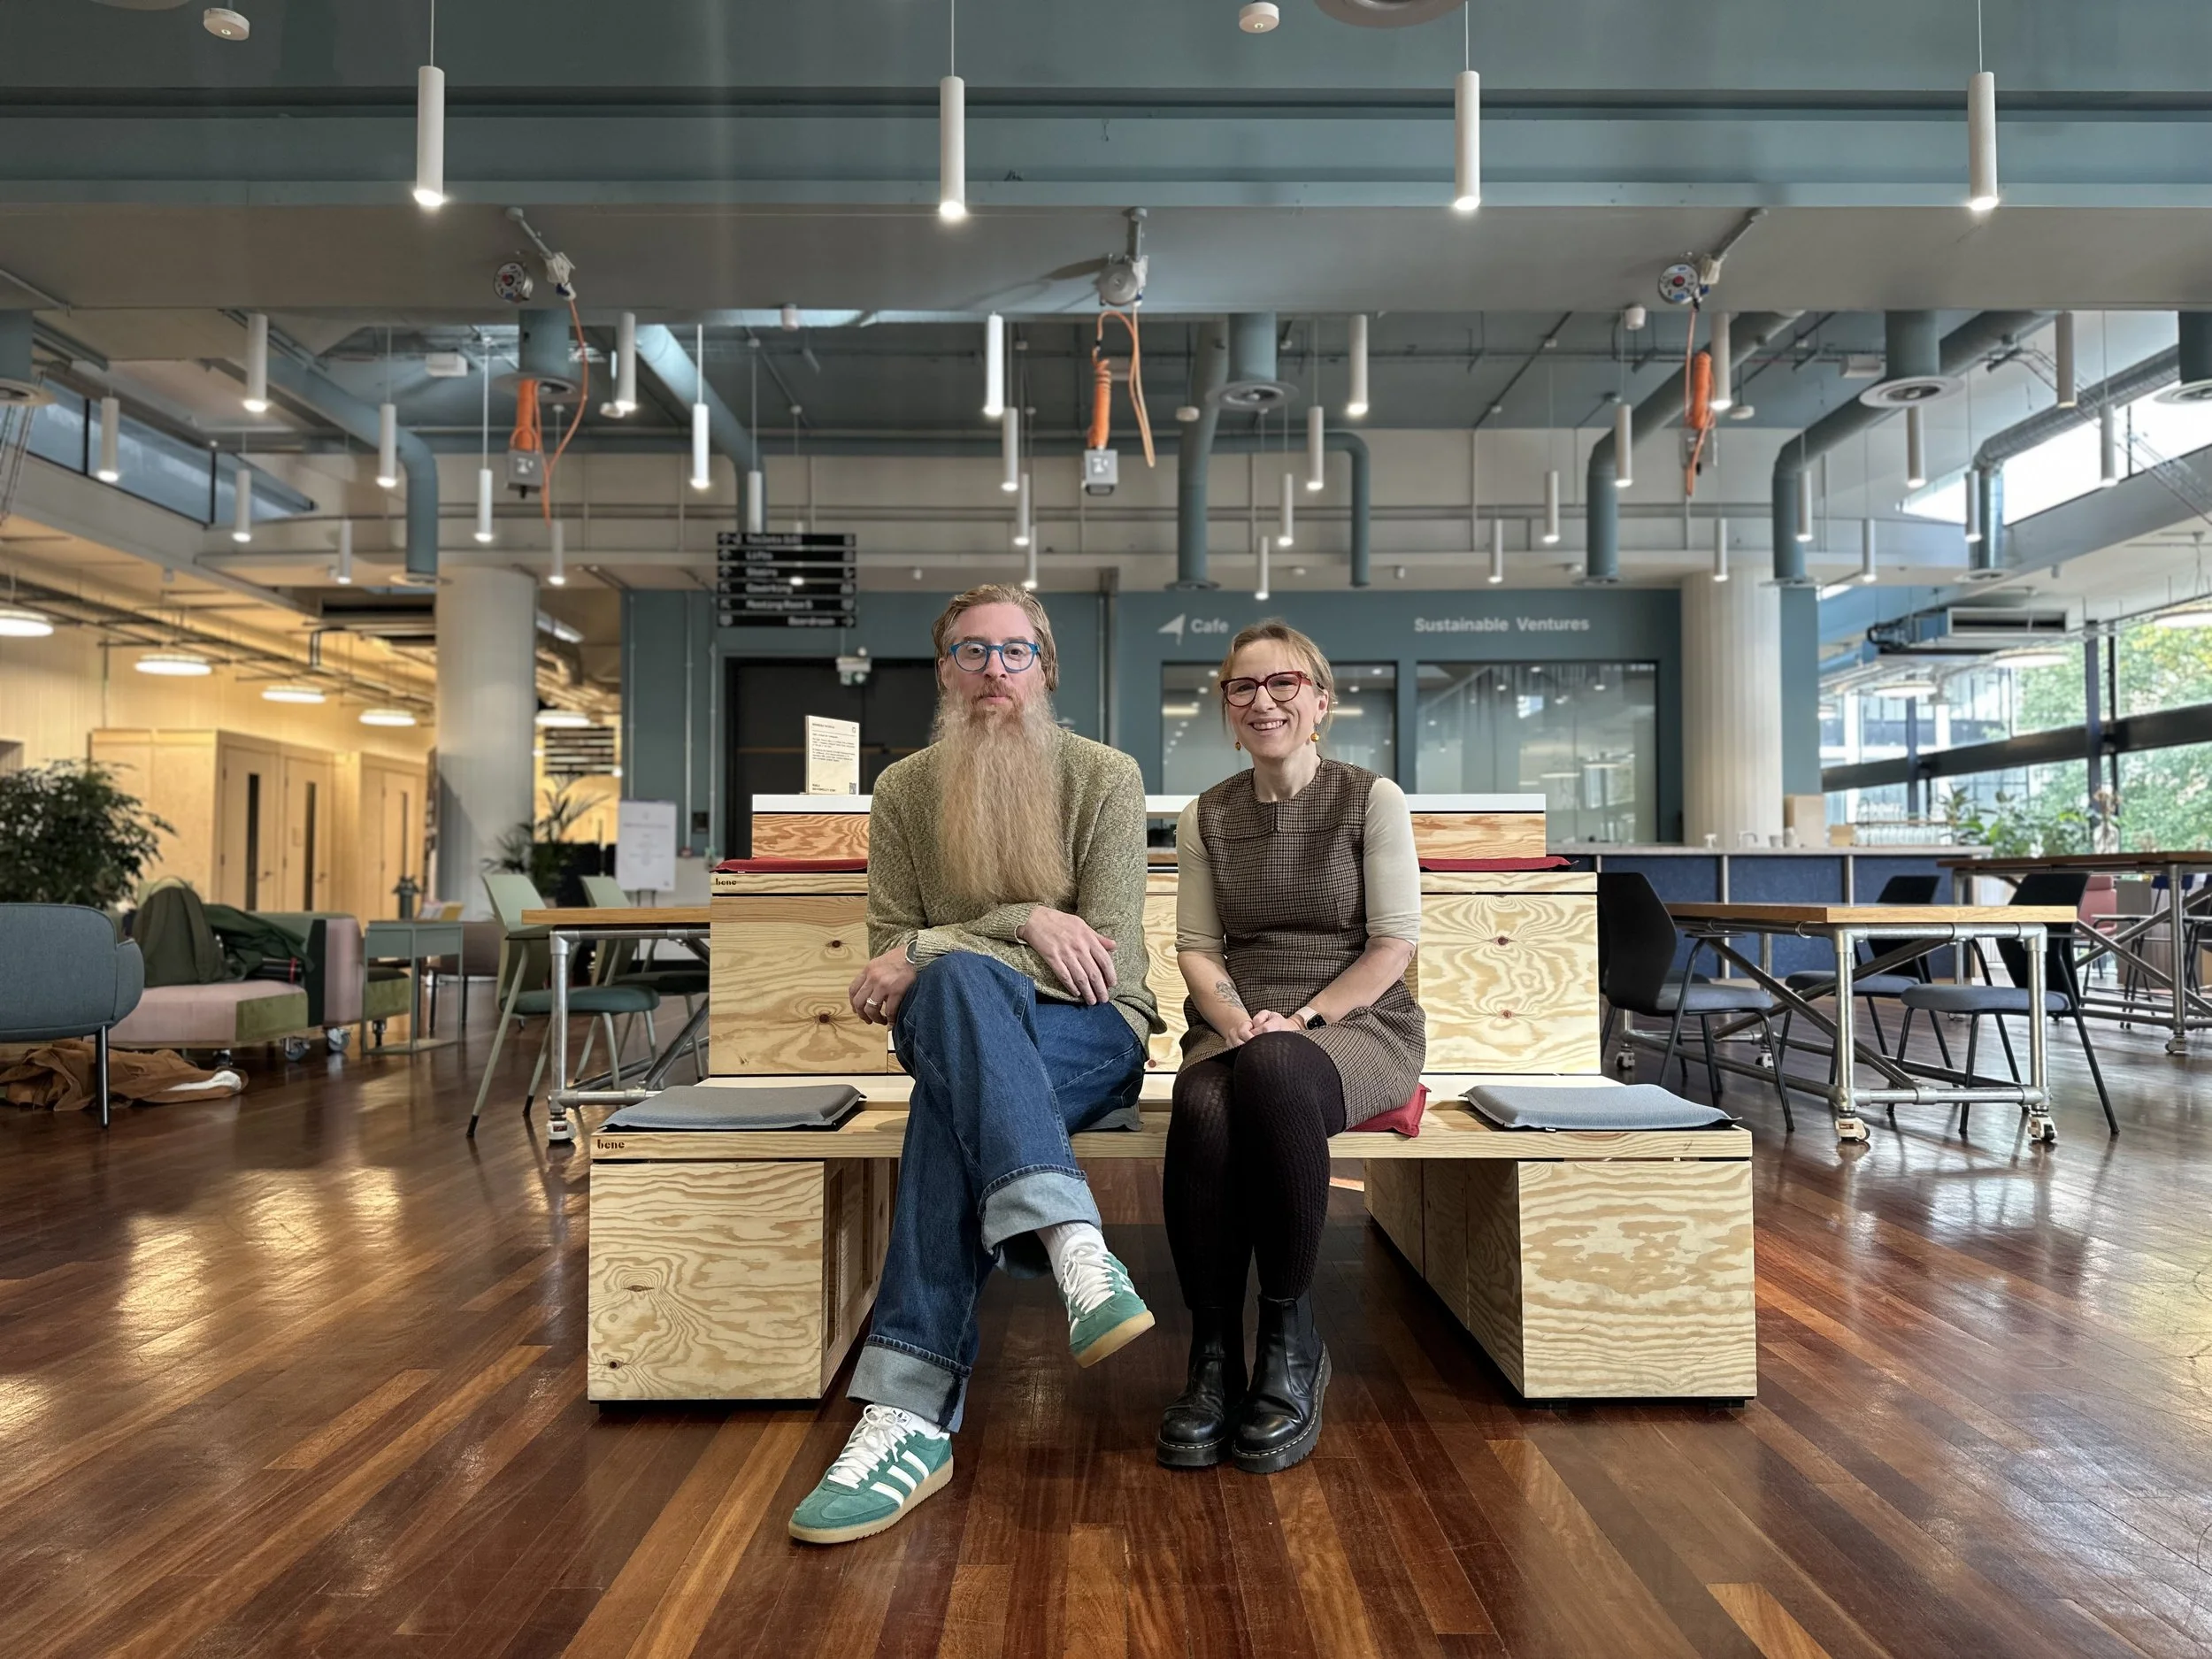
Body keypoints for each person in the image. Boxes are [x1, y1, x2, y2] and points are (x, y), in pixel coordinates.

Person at [788, 583, 1162, 1545]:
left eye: (1013, 651)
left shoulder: (1105, 776)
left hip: (1089, 1034)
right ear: (943, 669)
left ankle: (907, 1414)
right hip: (954, 1021)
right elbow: (887, 960)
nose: (992, 670)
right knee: (955, 987)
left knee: (947, 1052)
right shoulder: (904, 791)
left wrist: (945, 944)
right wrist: (1023, 921)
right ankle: (1076, 1248)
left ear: (1045, 665)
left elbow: (1104, 958)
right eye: (970, 652)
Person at [1156, 620, 1424, 1475]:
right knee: (1199, 1099)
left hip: (1357, 1021)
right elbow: (1196, 945)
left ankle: (1289, 1340)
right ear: (1226, 708)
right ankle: (1211, 1357)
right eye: (1243, 687)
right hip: (1242, 1018)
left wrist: (1300, 1021)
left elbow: (1393, 946)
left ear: (1320, 700)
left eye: (1283, 684)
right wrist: (1234, 1020)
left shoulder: (1370, 799)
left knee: (1272, 1068)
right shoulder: (1207, 816)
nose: (1263, 700)